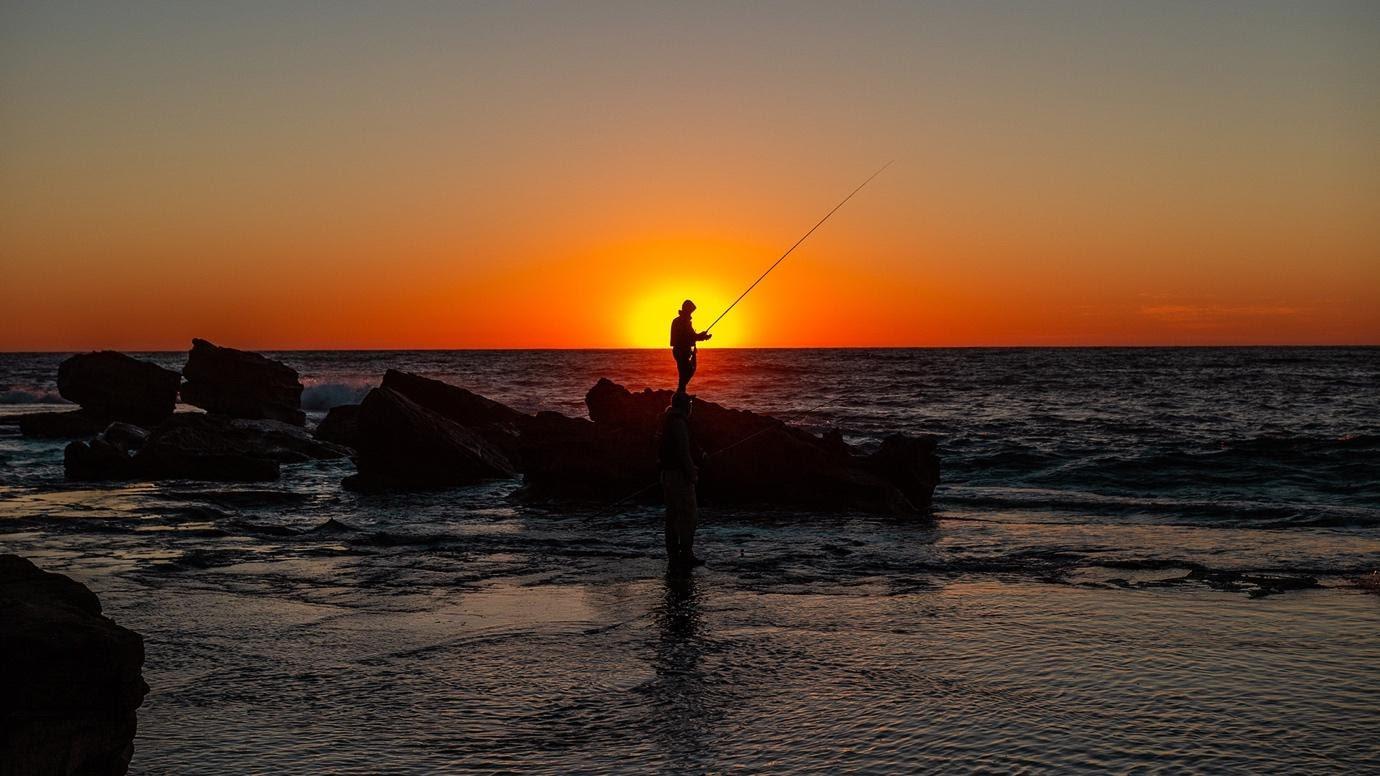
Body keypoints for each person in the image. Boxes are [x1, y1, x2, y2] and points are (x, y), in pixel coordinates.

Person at [658, 392, 704, 569]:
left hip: (667, 475)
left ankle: (673, 556)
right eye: (690, 403)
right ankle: (685, 555)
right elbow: (684, 452)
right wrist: (692, 473)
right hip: (679, 478)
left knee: (672, 517)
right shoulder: (679, 423)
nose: (692, 406)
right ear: (684, 405)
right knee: (688, 516)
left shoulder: (668, 420)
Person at [670, 300, 711, 394]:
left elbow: (691, 336)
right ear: (687, 310)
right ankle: (680, 393)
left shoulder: (682, 321)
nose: (691, 313)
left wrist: (702, 336)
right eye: (690, 311)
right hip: (681, 351)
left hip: (681, 351)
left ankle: (681, 392)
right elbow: (689, 336)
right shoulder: (682, 321)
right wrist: (702, 336)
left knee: (685, 373)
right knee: (687, 372)